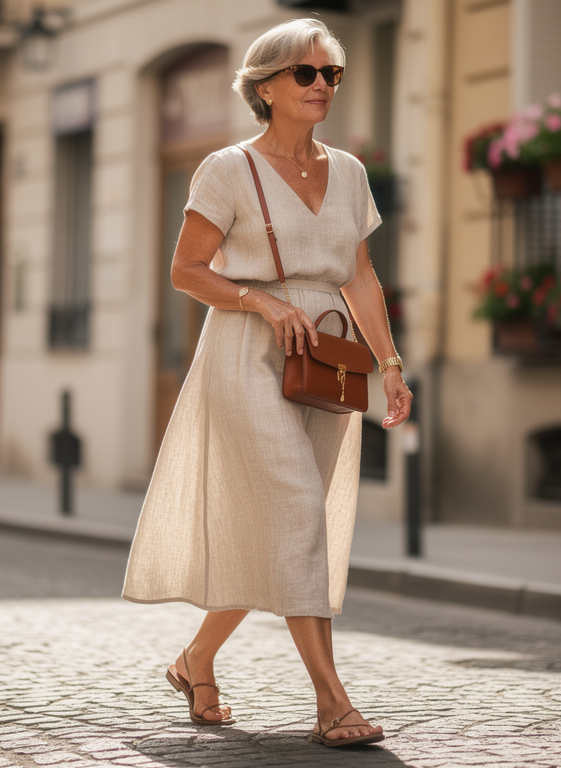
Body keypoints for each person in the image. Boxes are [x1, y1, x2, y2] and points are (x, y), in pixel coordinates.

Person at [122, 18, 411, 749]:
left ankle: (196, 661)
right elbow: (187, 271)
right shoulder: (226, 168)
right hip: (248, 354)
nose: (322, 86)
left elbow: (360, 276)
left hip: (327, 363)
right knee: (296, 511)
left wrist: (391, 365)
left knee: (282, 529)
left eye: (331, 74)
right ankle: (332, 704)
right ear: (265, 86)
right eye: (306, 74)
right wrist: (262, 300)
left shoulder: (347, 171)